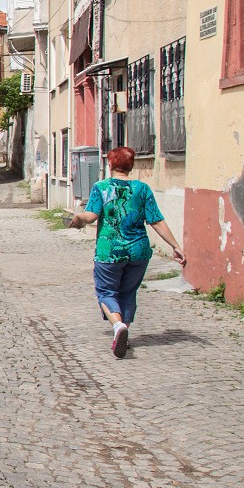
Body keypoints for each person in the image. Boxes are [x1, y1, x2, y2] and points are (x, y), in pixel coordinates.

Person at [68, 146, 186, 358]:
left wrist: (77, 219)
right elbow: (156, 221)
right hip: (138, 251)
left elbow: (91, 216)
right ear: (132, 166)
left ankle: (118, 327)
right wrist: (175, 245)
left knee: (106, 292)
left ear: (110, 164)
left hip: (110, 251)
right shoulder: (143, 189)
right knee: (128, 293)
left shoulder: (101, 187)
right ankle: (124, 333)